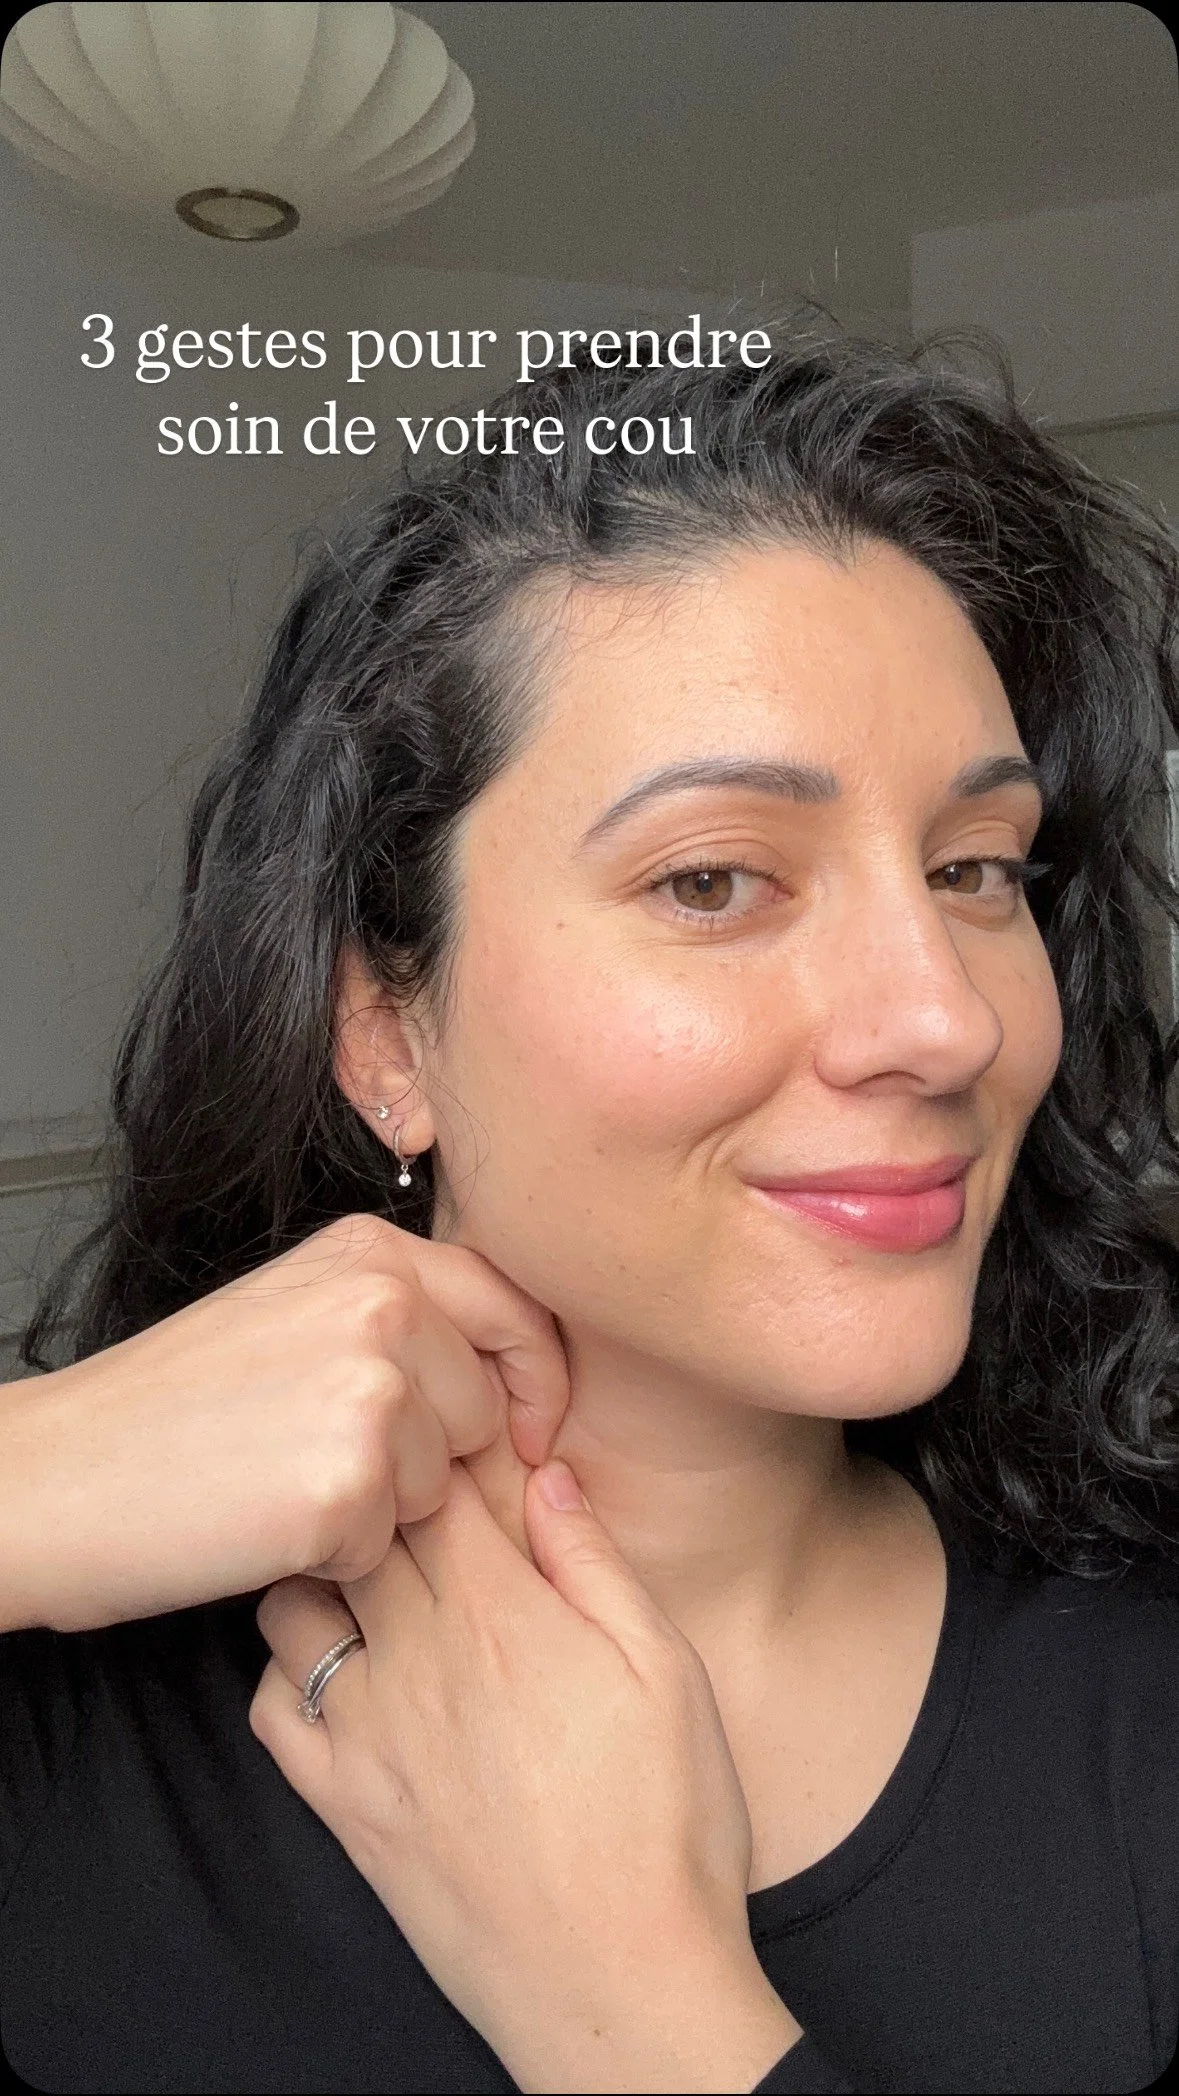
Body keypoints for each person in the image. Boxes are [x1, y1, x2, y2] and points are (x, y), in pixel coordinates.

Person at [2, 321, 1178, 2096]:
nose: (943, 1020)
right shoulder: (61, 1696)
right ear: (381, 1028)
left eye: (973, 870)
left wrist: (635, 2017)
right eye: (713, 880)